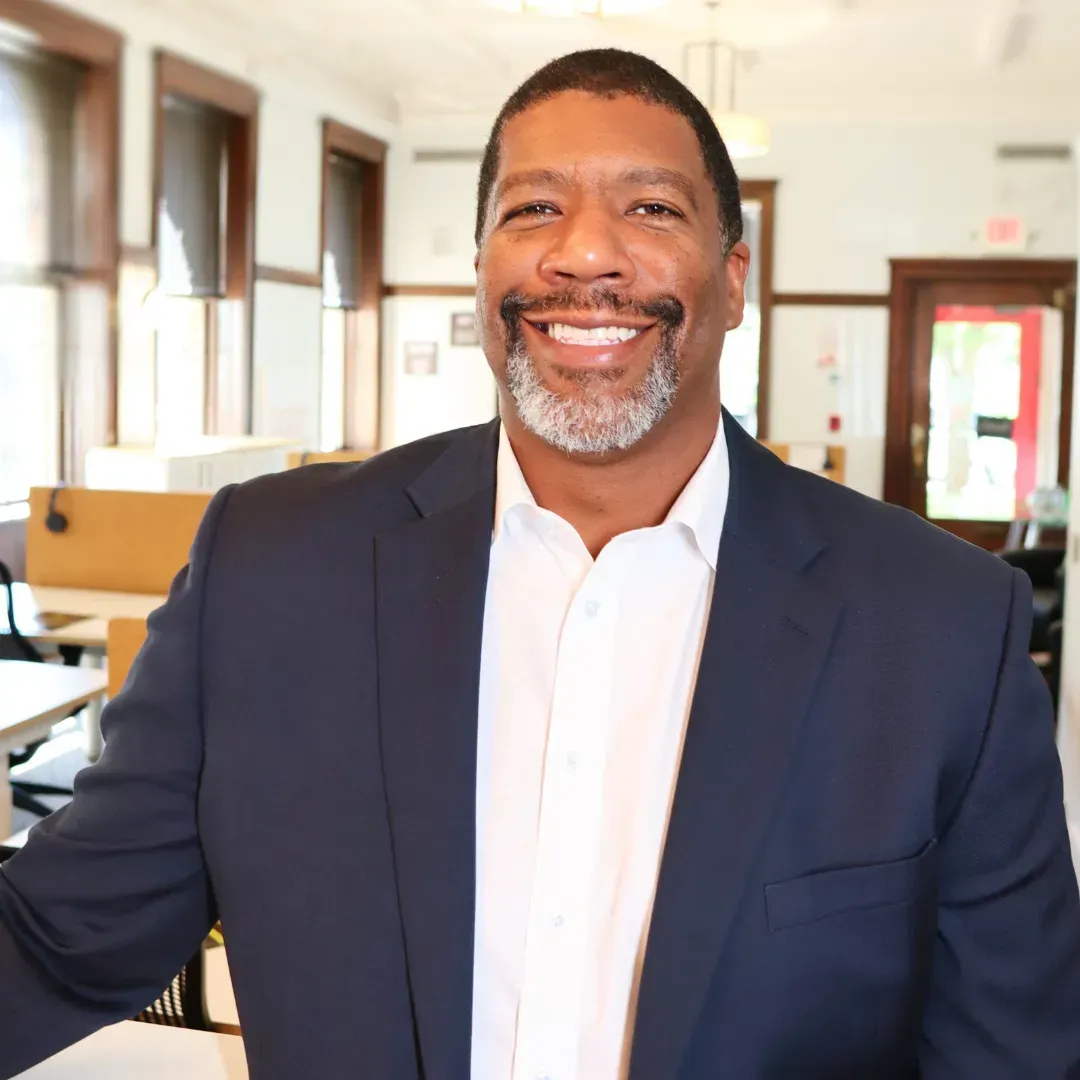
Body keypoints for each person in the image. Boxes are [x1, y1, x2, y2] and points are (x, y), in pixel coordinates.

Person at [1, 48, 1079, 1080]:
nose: (584, 255)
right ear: (480, 269)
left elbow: (1012, 1052)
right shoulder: (271, 573)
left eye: (651, 209)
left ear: (736, 276)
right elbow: (60, 940)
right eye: (533, 209)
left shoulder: (940, 628)